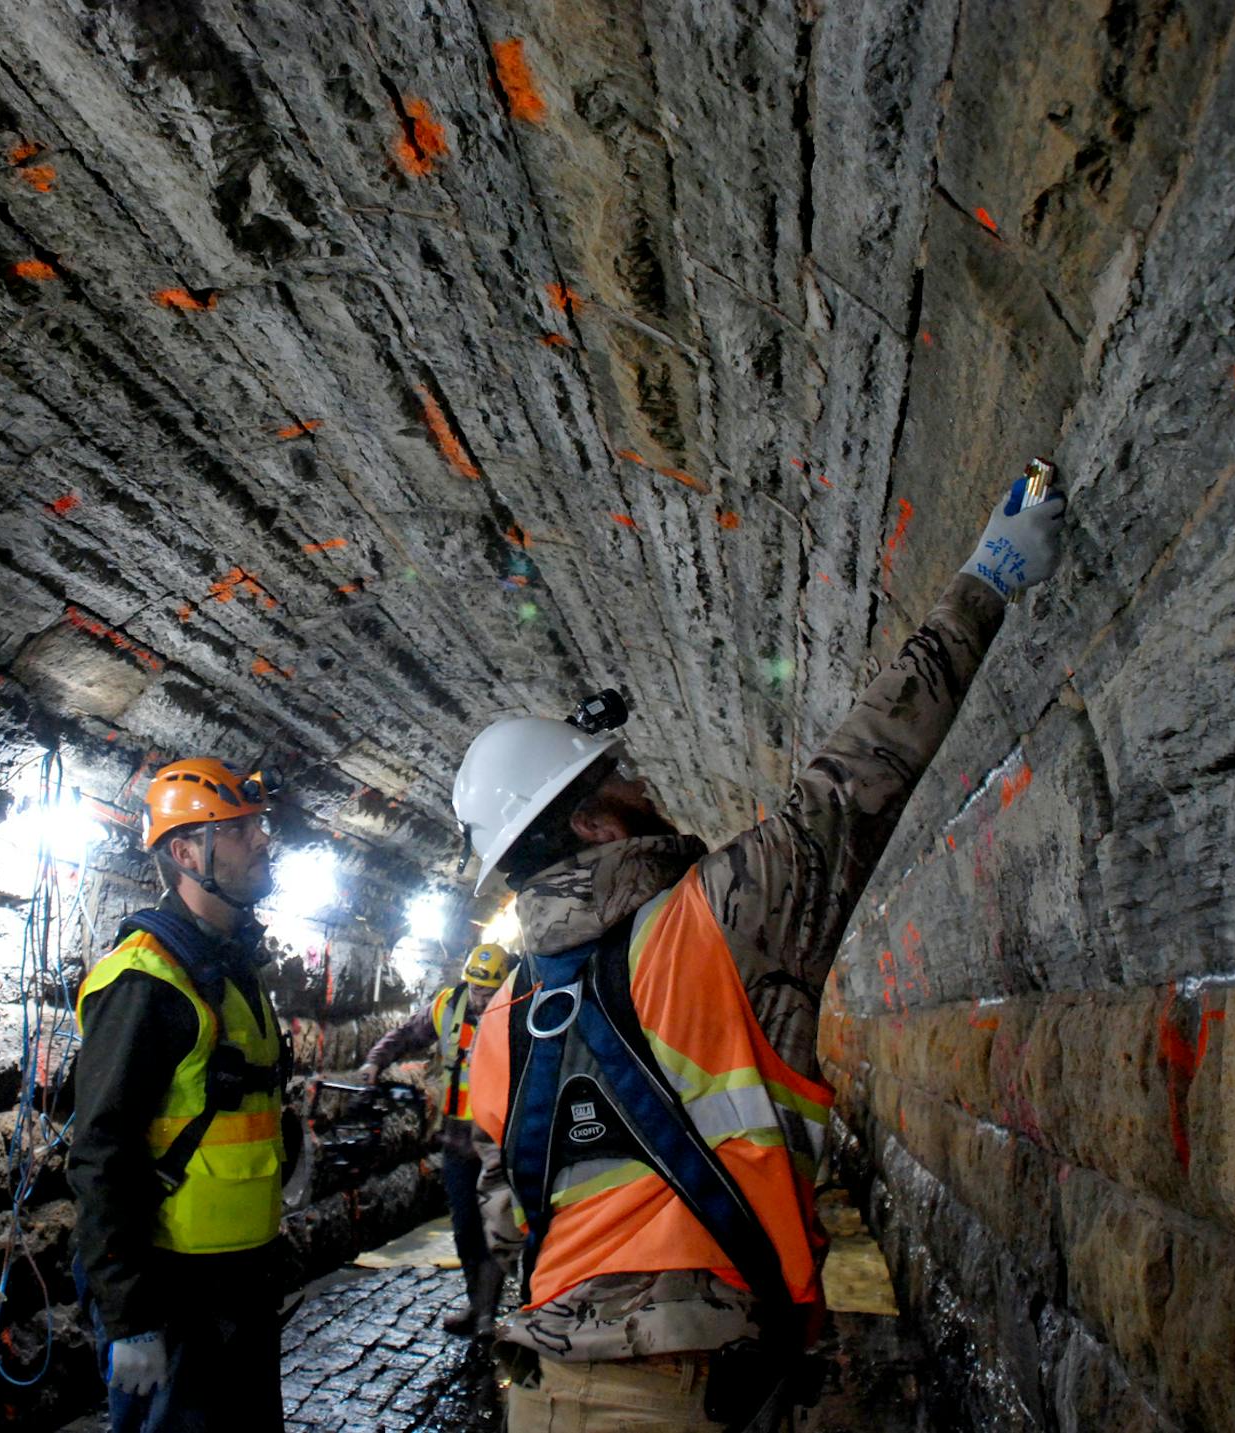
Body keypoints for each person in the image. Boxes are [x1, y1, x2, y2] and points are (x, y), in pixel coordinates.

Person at [458, 477, 1069, 1430]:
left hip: (550, 1396)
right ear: (587, 820)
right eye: (619, 777)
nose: (644, 783)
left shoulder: (500, 1023)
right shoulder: (717, 921)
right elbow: (860, 771)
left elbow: (501, 1219)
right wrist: (986, 579)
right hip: (689, 1391)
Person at [68, 758, 294, 1433]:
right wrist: (127, 1316)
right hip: (174, 1288)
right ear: (184, 850)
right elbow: (99, 1150)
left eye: (257, 826)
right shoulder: (145, 979)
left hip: (242, 1279)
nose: (261, 840)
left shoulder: (233, 965)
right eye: (238, 829)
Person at [358, 941, 514, 1336]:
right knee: (464, 1226)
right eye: (476, 989)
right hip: (459, 1138)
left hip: (500, 1138)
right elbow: (409, 1032)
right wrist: (376, 1059)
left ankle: (486, 1312)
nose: (480, 999)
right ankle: (476, 1302)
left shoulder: (519, 1008)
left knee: (496, 1223)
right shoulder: (449, 1005)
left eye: (488, 991)